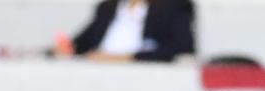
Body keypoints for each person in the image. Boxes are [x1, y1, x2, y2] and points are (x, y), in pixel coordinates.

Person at [64, 0, 195, 63]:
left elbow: (182, 48)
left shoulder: (173, 6)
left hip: (143, 77)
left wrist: (125, 58)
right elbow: (80, 44)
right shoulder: (107, 8)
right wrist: (64, 49)